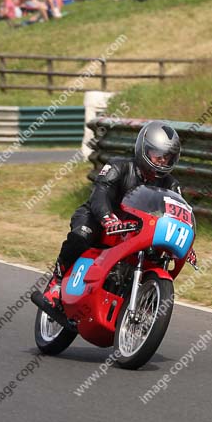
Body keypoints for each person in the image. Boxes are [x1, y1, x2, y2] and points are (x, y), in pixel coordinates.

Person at [42, 121, 182, 307]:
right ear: (143, 149)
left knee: (157, 258)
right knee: (81, 235)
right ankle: (57, 282)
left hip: (136, 231)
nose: (162, 161)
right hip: (99, 219)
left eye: (167, 157)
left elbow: (178, 213)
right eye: (158, 155)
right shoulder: (119, 166)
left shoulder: (171, 185)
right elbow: (100, 193)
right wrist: (107, 217)